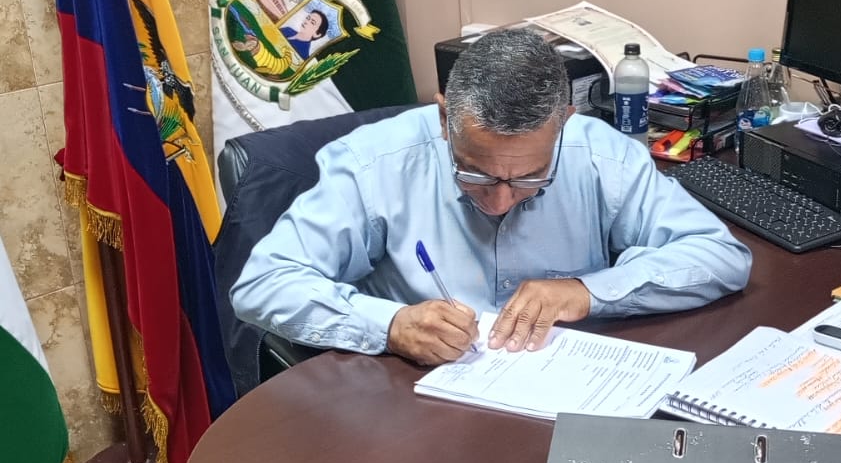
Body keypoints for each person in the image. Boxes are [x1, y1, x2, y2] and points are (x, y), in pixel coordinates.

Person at [231, 27, 752, 366]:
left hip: (564, 391)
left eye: (529, 179)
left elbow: (719, 255)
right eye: (475, 174)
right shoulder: (373, 164)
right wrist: (390, 325)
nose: (500, 201)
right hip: (416, 401)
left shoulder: (601, 155)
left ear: (564, 124)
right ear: (445, 120)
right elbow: (263, 284)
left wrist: (588, 292)